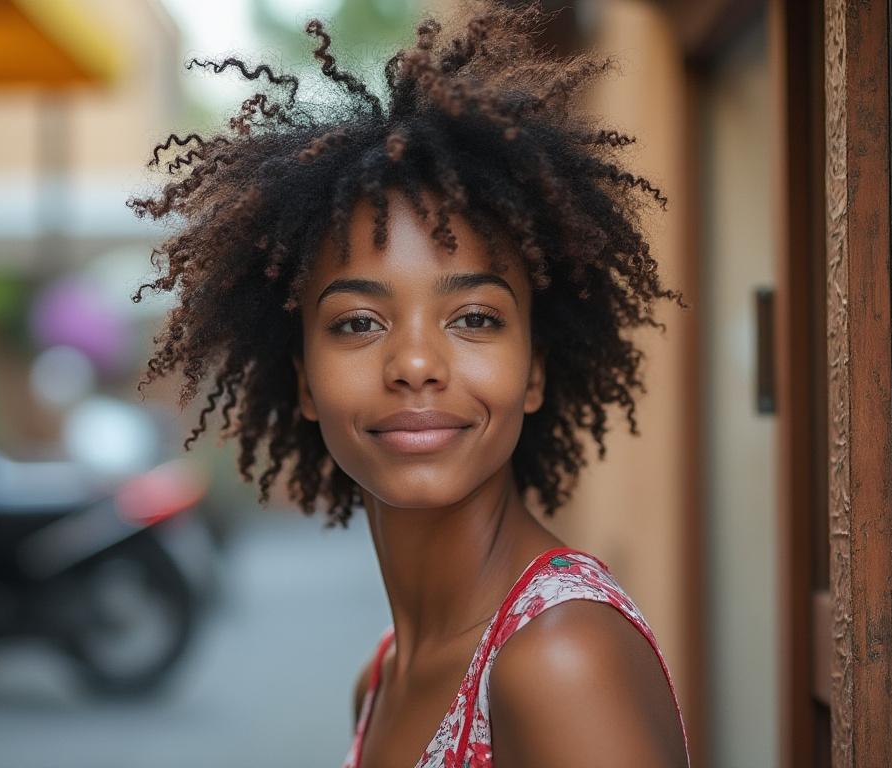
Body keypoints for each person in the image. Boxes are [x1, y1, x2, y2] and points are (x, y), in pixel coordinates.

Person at [128, 1, 689, 765]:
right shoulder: (381, 676)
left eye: (476, 319)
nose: (416, 363)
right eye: (358, 322)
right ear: (303, 383)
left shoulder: (561, 663)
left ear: (534, 373)